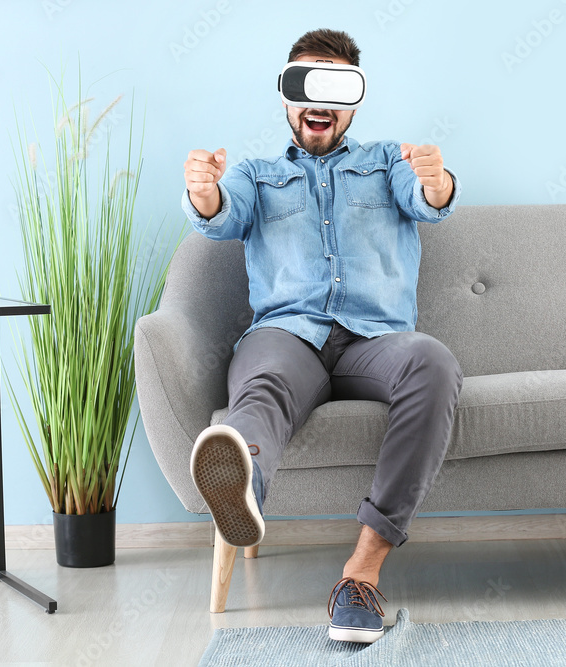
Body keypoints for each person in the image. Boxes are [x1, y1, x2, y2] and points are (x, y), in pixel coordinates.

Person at [181, 28, 463, 644]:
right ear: (286, 99)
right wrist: (203, 195)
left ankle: (361, 575)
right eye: (305, 85)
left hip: (376, 342)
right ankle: (243, 486)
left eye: (334, 89)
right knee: (262, 384)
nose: (319, 103)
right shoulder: (256, 175)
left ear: (352, 103)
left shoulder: (388, 161)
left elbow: (428, 201)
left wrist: (436, 180)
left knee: (434, 362)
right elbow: (221, 216)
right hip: (289, 336)